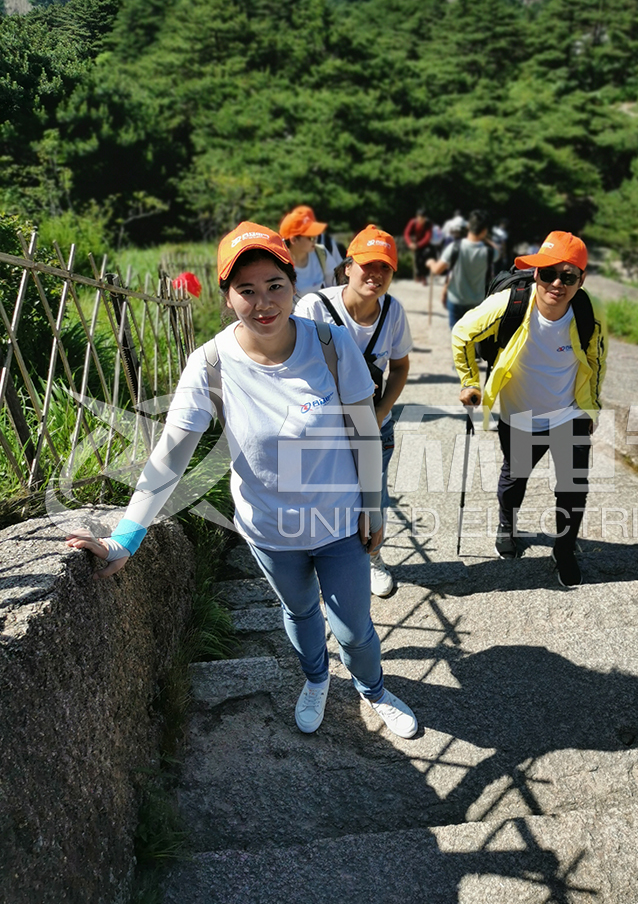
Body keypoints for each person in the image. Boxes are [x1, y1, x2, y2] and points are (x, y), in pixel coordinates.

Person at [66, 221, 418, 739]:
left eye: (275, 285)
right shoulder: (210, 363)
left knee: (354, 629)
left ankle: (373, 689)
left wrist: (374, 506)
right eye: (246, 290)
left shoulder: (330, 343)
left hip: (340, 519)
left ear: (294, 284)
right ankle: (316, 679)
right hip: (270, 528)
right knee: (299, 614)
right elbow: (170, 456)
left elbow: (366, 431)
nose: (264, 302)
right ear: (226, 296)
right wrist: (127, 535)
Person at [451, 231, 606, 588]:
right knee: (514, 478)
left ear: (581, 280)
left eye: (567, 277)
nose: (556, 284)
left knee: (573, 487)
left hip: (569, 413)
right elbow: (462, 334)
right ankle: (508, 522)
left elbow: (597, 359)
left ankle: (564, 550)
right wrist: (470, 381)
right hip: (519, 414)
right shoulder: (511, 303)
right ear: (535, 272)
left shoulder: (587, 312)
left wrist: (591, 407)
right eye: (548, 273)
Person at [295, 225, 412, 599]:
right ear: (348, 267)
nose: (375, 275)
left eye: (385, 268)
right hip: (324, 426)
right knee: (323, 495)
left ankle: (373, 560)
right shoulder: (314, 307)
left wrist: (379, 413)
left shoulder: (393, 312)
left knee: (372, 498)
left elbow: (401, 366)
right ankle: (325, 567)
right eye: (367, 265)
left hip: (375, 426)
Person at [428, 209, 494, 329]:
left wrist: (431, 263)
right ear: (484, 231)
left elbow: (437, 270)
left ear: (468, 226)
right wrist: (485, 237)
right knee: (473, 338)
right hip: (478, 301)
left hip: (456, 299)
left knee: (456, 336)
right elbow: (498, 249)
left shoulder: (455, 247)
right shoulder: (489, 252)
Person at [279, 206, 336, 298]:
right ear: (294, 240)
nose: (316, 240)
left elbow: (335, 286)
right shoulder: (278, 263)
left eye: (317, 235)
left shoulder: (321, 253)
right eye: (311, 237)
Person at [294, 203, 344, 273]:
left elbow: (339, 275)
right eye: (310, 237)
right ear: (293, 240)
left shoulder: (326, 244)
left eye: (315, 234)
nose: (315, 239)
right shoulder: (279, 258)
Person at [403, 207, 433, 285]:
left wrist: (418, 245)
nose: (421, 220)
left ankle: (424, 276)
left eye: (423, 218)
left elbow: (428, 237)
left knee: (425, 256)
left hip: (424, 244)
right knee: (417, 259)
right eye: (420, 217)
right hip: (415, 243)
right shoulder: (413, 222)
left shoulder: (428, 224)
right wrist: (409, 243)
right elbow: (406, 233)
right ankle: (418, 274)